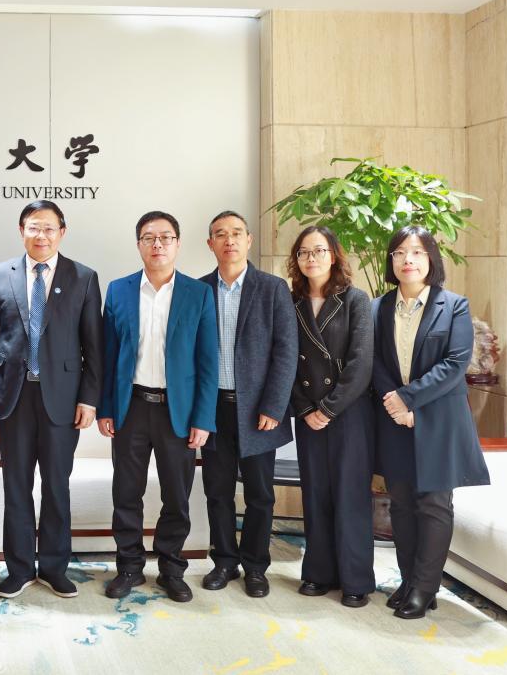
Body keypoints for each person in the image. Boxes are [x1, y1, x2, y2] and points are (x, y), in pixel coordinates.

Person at [0, 200, 104, 599]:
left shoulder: (83, 277)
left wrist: (89, 399)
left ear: (62, 233)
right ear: (22, 231)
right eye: (34, 227)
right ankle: (18, 570)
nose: (42, 235)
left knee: (56, 486)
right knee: (16, 486)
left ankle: (53, 568)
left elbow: (93, 346)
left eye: (49, 228)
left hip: (62, 400)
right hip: (12, 397)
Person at [99, 211, 217, 602]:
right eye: (149, 237)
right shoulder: (118, 290)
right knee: (126, 493)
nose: (158, 244)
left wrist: (203, 418)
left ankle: (171, 569)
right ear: (139, 245)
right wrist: (105, 408)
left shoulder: (198, 294)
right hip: (130, 407)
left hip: (177, 412)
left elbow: (208, 362)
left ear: (177, 244)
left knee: (177, 497)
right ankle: (129, 568)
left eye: (166, 237)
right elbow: (107, 356)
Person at [373, 225, 489, 619]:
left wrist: (409, 401)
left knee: (435, 504)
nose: (408, 259)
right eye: (400, 253)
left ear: (430, 259)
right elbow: (374, 360)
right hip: (393, 418)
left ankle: (425, 588)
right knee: (401, 504)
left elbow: (455, 364)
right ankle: (409, 581)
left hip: (438, 419)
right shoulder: (377, 307)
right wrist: (394, 402)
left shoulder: (453, 306)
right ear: (392, 261)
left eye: (417, 252)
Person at [198, 210, 296, 598]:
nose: (230, 240)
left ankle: (256, 566)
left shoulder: (273, 289)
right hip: (213, 409)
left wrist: (274, 406)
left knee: (260, 494)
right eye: (221, 234)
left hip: (258, 411)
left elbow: (286, 352)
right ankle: (224, 561)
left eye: (237, 233)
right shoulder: (198, 290)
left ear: (249, 240)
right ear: (210, 244)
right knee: (217, 491)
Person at [286, 226, 375, 608]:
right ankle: (319, 573)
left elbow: (361, 362)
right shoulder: (290, 302)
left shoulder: (356, 300)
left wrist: (329, 407)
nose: (312, 258)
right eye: (304, 252)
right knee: (316, 493)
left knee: (350, 495)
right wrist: (306, 408)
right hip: (308, 414)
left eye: (319, 250)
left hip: (348, 413)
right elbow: (284, 361)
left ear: (334, 255)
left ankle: (356, 579)